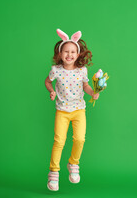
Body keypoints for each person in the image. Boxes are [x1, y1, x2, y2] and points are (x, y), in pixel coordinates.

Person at [45, 29, 100, 191]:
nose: (69, 55)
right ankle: (53, 174)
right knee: (59, 141)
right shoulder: (56, 70)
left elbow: (86, 86)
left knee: (80, 139)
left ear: (78, 54)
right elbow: (47, 82)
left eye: (73, 52)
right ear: (60, 53)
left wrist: (93, 93)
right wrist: (51, 91)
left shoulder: (82, 71)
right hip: (62, 111)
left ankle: (73, 164)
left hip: (79, 111)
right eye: (66, 52)